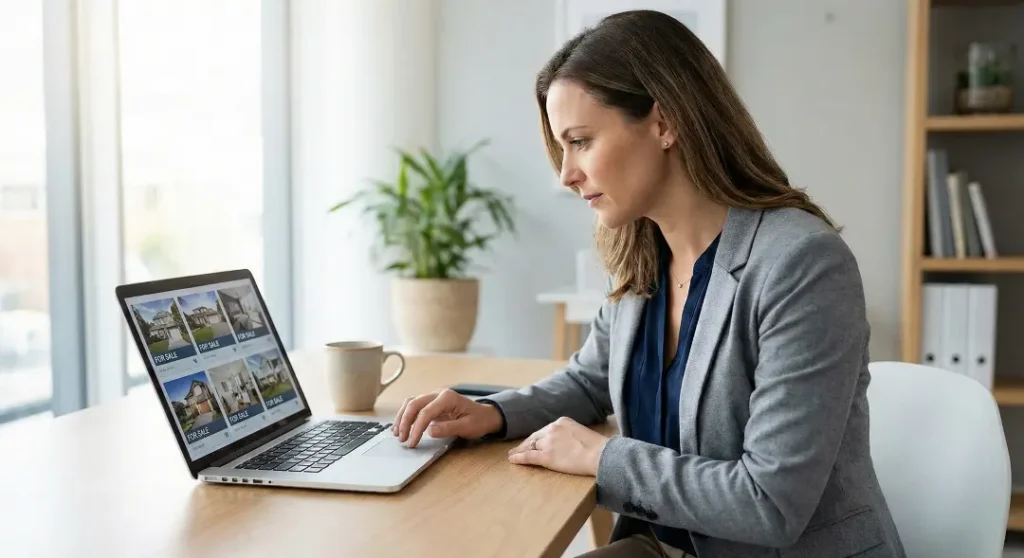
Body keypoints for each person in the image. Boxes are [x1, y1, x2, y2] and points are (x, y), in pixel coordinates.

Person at [392, 10, 906, 558]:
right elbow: (591, 381)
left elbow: (769, 502)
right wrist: (493, 413)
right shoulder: (640, 254)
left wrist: (600, 457)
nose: (566, 173)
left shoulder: (802, 265)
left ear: (664, 123)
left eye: (581, 141)